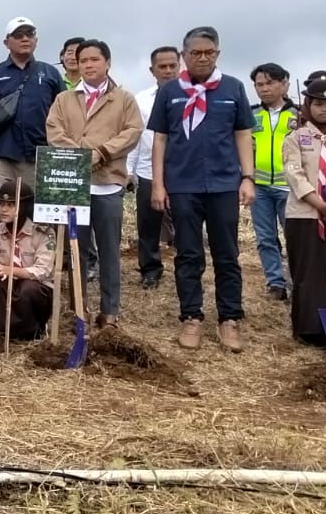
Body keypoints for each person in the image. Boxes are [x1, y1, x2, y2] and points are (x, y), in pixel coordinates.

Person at [149, 26, 255, 352]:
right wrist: (158, 184)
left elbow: (242, 135)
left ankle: (229, 319)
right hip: (182, 185)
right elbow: (160, 139)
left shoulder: (233, 88)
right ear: (184, 56)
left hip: (224, 184)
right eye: (196, 53)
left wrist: (247, 177)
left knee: (227, 253)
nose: (203, 58)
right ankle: (191, 317)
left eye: (210, 52)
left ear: (218, 54)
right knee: (188, 254)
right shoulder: (170, 92)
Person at [45, 39, 144, 328]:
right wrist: (81, 157)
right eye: (83, 60)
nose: (88, 65)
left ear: (107, 63)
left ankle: (109, 311)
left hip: (108, 185)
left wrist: (102, 153)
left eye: (94, 60)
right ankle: (80, 308)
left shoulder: (124, 99)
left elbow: (133, 131)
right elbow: (54, 132)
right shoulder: (64, 99)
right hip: (74, 185)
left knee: (110, 250)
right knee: (76, 250)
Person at [0, 17, 64, 224]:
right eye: (18, 35)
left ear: (36, 40)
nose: (25, 39)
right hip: (0, 157)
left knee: (38, 216)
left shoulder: (51, 74)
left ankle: (35, 257)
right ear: (6, 42)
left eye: (30, 34)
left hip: (39, 156)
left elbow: (64, 116)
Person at [281, 78, 326, 349]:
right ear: (308, 106)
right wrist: (318, 203)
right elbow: (294, 173)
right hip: (305, 214)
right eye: (318, 104)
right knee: (308, 271)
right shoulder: (295, 139)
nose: (324, 109)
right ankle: (309, 329)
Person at [127, 46, 180, 289]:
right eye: (162, 67)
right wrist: (130, 169)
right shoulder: (141, 100)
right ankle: (150, 269)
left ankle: (187, 268)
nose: (168, 71)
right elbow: (135, 137)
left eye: (173, 66)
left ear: (180, 66)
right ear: (152, 70)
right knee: (148, 225)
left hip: (182, 171)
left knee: (186, 223)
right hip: (148, 170)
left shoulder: (193, 96)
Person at [0, 180, 55, 340]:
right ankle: (0, 333)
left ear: (24, 207)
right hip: (7, 284)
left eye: (11, 205)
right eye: (1, 203)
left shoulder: (43, 234)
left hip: (35, 287)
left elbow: (43, 271)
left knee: (28, 288)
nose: (4, 209)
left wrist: (12, 270)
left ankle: (31, 332)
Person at [248, 62, 298, 302]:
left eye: (270, 83)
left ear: (284, 83)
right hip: (260, 187)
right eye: (259, 84)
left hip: (291, 189)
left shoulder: (299, 115)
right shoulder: (251, 114)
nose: (264, 89)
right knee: (265, 238)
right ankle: (275, 284)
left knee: (294, 237)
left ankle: (297, 281)